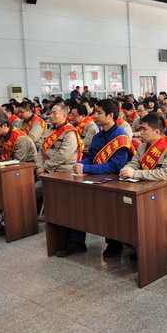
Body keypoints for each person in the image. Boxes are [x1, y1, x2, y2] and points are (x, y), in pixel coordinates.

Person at [57, 99, 136, 257]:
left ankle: (114, 243)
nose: (95, 116)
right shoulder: (98, 136)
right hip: (96, 177)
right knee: (76, 200)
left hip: (115, 182)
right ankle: (76, 242)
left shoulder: (120, 136)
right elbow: (92, 158)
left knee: (108, 207)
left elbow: (116, 167)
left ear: (111, 115)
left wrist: (86, 168)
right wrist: (80, 164)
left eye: (99, 113)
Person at [119, 112, 167, 259]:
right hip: (148, 189)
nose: (141, 132)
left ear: (157, 132)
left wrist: (135, 174)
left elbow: (165, 174)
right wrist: (126, 170)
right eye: (140, 129)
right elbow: (134, 163)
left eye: (144, 129)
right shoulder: (144, 146)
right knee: (133, 210)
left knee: (160, 215)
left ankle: (162, 253)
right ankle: (143, 247)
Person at [35, 103, 80, 202]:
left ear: (64, 115)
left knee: (32, 190)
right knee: (22, 183)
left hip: (62, 171)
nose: (51, 116)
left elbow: (64, 155)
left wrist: (45, 167)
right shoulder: (48, 131)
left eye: (54, 113)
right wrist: (39, 167)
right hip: (45, 169)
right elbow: (41, 151)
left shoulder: (70, 132)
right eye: (50, 113)